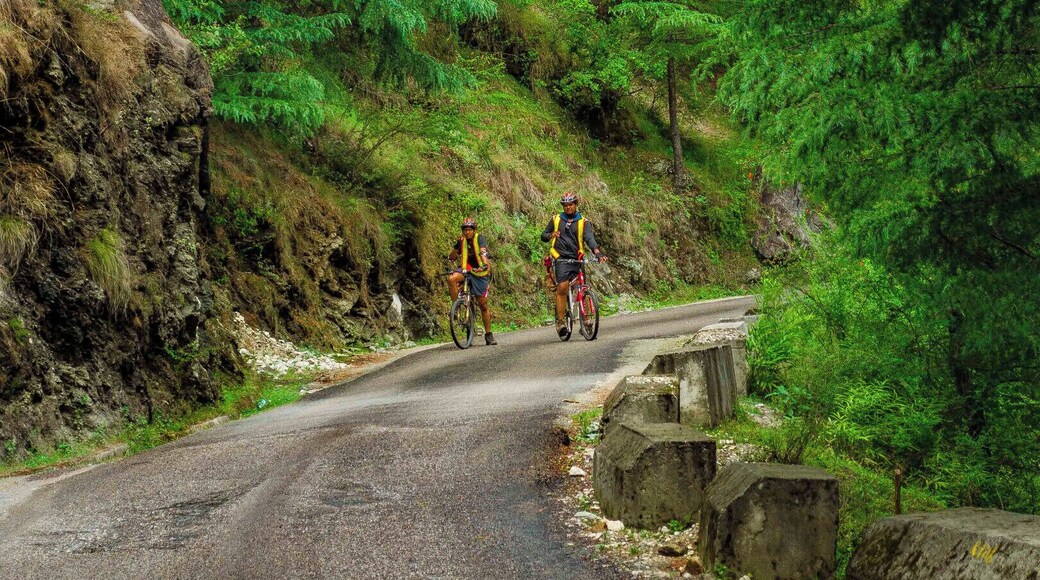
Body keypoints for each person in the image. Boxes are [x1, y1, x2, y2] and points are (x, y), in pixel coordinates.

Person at [541, 193, 607, 337]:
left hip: (577, 259)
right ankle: (560, 322)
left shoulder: (583, 222)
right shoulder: (556, 219)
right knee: (563, 287)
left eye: (570, 204)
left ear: (575, 205)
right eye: (565, 205)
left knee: (582, 287)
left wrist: (597, 252)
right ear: (563, 206)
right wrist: (552, 234)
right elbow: (543, 236)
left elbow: (589, 238)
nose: (568, 207)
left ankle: (585, 319)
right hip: (561, 258)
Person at [448, 217, 497, 346]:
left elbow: (483, 253)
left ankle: (488, 334)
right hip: (466, 269)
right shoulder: (462, 240)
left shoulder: (479, 238)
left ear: (474, 230)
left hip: (480, 272)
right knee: (452, 279)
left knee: (483, 305)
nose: (467, 232)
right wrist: (456, 246)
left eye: (469, 230)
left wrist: (485, 264)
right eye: (465, 230)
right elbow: (452, 257)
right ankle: (456, 308)